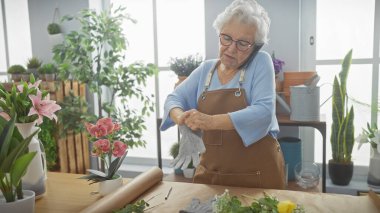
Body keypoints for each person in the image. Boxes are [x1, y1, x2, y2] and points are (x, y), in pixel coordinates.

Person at [160, 0, 286, 189]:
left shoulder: (261, 62)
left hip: (257, 176)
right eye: (226, 38)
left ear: (255, 47)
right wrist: (181, 117)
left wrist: (209, 122)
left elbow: (264, 112)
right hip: (211, 176)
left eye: (243, 43)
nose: (231, 48)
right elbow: (173, 99)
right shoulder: (205, 70)